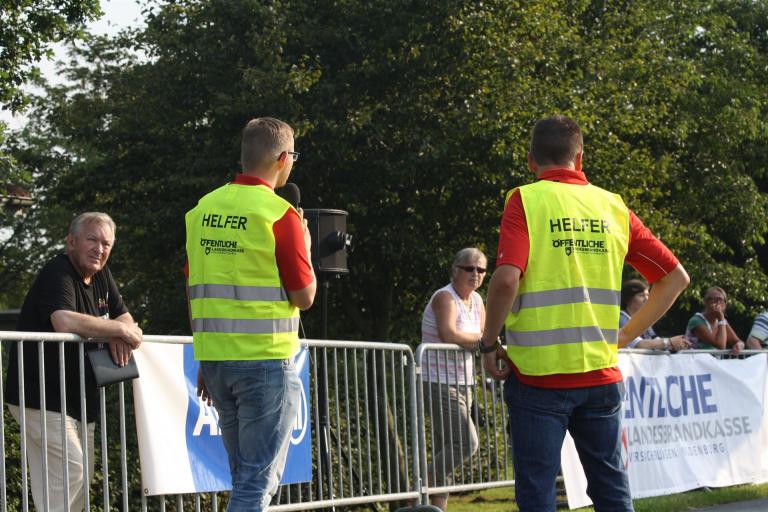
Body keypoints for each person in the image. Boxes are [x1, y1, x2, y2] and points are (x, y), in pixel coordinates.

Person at [479, 115, 689, 511]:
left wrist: (488, 344)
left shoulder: (525, 200)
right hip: (600, 373)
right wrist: (624, 336)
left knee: (538, 491)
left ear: (531, 160)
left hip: (538, 377)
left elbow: (506, 280)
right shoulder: (612, 206)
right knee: (611, 491)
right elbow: (675, 278)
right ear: (580, 157)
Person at [185, 117, 316, 511]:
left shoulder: (202, 210)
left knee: (244, 476)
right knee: (256, 483)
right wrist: (307, 247)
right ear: (283, 158)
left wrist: (206, 357)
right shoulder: (280, 214)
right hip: (265, 362)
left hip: (216, 361)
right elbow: (304, 296)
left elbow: (194, 289)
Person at [4, 212, 143, 512]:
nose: (99, 249)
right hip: (41, 396)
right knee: (72, 471)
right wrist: (117, 330)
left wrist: (121, 329)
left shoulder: (102, 274)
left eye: (106, 243)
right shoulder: (58, 272)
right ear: (71, 242)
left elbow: (126, 318)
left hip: (79, 398)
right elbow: (63, 321)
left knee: (81, 477)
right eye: (92, 240)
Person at [419, 247, 488, 511]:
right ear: (455, 270)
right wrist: (483, 343)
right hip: (438, 381)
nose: (475, 273)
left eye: (481, 269)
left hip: (464, 381)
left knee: (445, 449)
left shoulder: (478, 300)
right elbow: (449, 334)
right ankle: (416, 488)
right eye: (469, 268)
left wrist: (484, 343)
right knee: (466, 443)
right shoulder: (444, 297)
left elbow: (484, 336)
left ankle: (437, 507)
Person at [620, 279, 690, 352]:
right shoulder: (621, 318)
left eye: (647, 295)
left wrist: (676, 343)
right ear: (628, 299)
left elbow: (654, 338)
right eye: (641, 296)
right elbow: (638, 344)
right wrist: (669, 342)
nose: (647, 299)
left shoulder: (643, 318)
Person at [685, 286, 745, 353]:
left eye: (720, 299)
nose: (717, 302)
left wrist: (739, 345)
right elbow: (721, 346)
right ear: (706, 302)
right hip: (695, 359)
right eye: (712, 299)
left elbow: (737, 341)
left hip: (712, 359)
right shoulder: (696, 321)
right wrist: (721, 318)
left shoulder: (722, 321)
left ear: (724, 304)